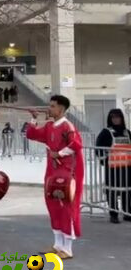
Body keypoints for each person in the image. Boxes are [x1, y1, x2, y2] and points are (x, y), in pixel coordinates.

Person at [27, 95, 84, 260]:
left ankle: (68, 248)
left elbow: (76, 145)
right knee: (53, 206)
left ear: (61, 109)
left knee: (65, 207)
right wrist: (33, 118)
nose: (49, 108)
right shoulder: (50, 126)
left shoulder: (68, 126)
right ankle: (58, 244)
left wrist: (58, 153)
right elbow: (32, 134)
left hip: (66, 172)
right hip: (52, 172)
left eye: (52, 106)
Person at [95, 109, 131, 224]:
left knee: (127, 191)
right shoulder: (106, 132)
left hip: (127, 168)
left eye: (117, 117)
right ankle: (113, 214)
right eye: (113, 117)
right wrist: (105, 161)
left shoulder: (127, 132)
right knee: (112, 191)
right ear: (110, 119)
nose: (115, 119)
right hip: (112, 168)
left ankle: (127, 212)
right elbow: (99, 149)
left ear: (121, 118)